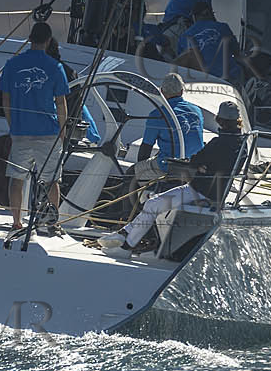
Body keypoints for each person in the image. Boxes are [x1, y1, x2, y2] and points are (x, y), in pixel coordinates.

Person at [101, 100, 247, 255]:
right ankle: (125, 233)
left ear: (220, 120)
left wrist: (200, 165)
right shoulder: (243, 144)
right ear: (238, 121)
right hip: (217, 194)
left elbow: (195, 160)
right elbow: (229, 167)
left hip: (199, 192)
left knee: (152, 203)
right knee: (154, 201)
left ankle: (127, 246)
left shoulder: (218, 143)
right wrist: (203, 166)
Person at [0, 21, 70, 233]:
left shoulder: (11, 65)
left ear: (30, 39)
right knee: (51, 181)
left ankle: (16, 222)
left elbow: (6, 100)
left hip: (20, 132)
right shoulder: (55, 67)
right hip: (48, 133)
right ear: (48, 41)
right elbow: (61, 103)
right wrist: (63, 131)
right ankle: (53, 223)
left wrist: (14, 126)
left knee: (16, 180)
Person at [137, 73, 206, 179]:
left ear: (162, 92)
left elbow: (146, 148)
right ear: (182, 91)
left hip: (172, 167)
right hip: (195, 166)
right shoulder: (197, 111)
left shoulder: (157, 114)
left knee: (132, 173)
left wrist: (140, 167)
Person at [47, 37, 100, 143]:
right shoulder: (70, 72)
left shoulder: (49, 71)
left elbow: (60, 103)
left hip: (54, 130)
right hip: (71, 128)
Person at [174, 3, 240, 81]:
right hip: (229, 79)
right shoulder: (223, 27)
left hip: (200, 81)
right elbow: (236, 52)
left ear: (194, 17)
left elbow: (181, 63)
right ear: (209, 13)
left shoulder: (184, 35)